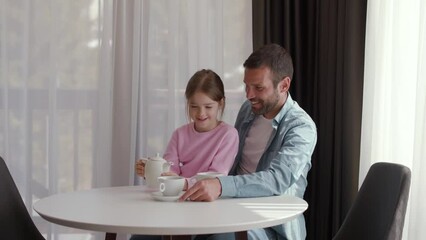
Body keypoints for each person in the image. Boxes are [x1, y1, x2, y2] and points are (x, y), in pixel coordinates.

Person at [180, 44, 317, 240]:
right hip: (230, 209)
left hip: (270, 226)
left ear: (284, 85)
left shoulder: (301, 127)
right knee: (157, 234)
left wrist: (220, 186)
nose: (249, 94)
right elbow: (229, 160)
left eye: (258, 87)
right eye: (247, 85)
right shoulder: (248, 110)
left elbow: (277, 179)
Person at [130, 69, 239, 240]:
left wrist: (179, 183)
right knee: (140, 238)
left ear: (221, 104)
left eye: (208, 107)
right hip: (176, 207)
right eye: (194, 106)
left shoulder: (228, 135)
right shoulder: (179, 134)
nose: (201, 114)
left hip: (208, 208)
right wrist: (150, 171)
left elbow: (214, 178)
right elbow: (169, 172)